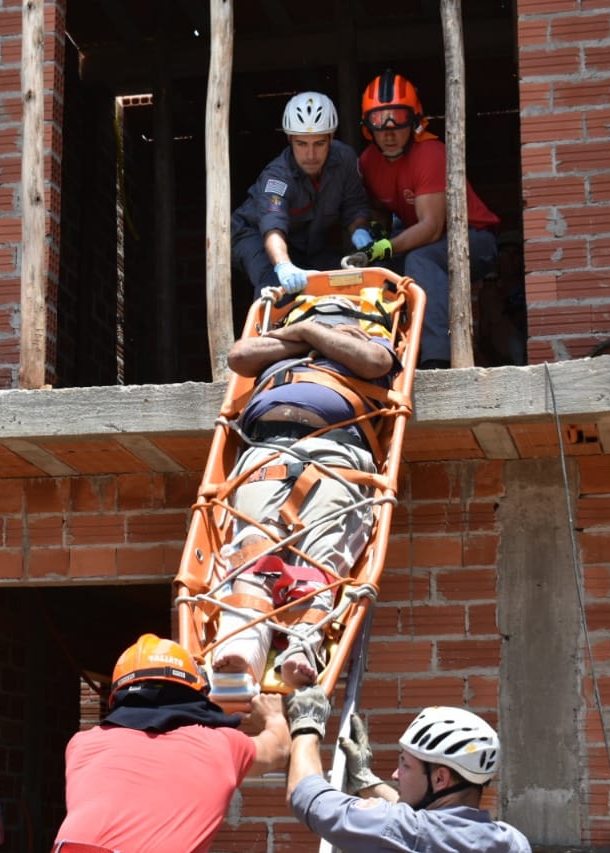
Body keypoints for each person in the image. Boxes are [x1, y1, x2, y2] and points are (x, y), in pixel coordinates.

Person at [210, 294, 399, 689]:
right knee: (254, 550)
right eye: (310, 320)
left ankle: (301, 646)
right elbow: (239, 356)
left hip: (338, 451)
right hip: (266, 450)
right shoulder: (281, 348)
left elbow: (376, 363)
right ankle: (244, 645)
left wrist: (302, 335)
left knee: (319, 555)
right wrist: (309, 335)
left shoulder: (371, 343)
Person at [51, 634, 289, 853]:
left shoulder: (81, 745)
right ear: (195, 693)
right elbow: (280, 747)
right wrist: (274, 716)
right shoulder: (219, 747)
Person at [356, 70, 502, 369]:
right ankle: (381, 354)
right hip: (422, 241)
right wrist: (374, 230)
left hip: (475, 239)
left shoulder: (430, 154)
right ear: (368, 127)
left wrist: (386, 246)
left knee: (419, 259)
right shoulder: (368, 162)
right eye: (379, 121)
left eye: (398, 118)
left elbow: (431, 228)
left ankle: (437, 359)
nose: (389, 132)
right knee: (375, 272)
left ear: (415, 120)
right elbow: (377, 207)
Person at [285, 687, 532, 853]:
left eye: (405, 764)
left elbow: (306, 795)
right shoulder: (513, 842)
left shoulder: (399, 830)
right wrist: (366, 782)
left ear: (440, 778)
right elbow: (438, 828)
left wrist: (306, 723)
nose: (395, 775)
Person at [232, 91, 373, 299]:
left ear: (331, 138)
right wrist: (283, 265)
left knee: (346, 281)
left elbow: (355, 207)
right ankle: (267, 320)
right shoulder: (277, 177)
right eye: (302, 144)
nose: (311, 155)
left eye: (319, 143)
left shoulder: (345, 161)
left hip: (306, 244)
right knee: (275, 286)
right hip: (255, 235)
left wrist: (360, 232)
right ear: (290, 139)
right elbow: (272, 228)